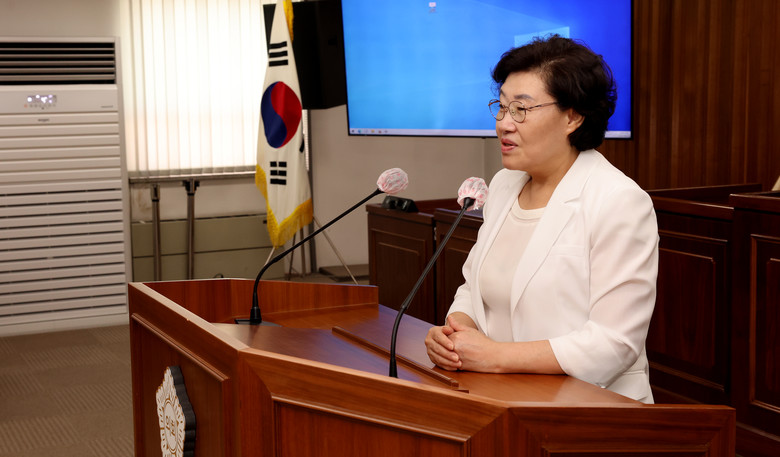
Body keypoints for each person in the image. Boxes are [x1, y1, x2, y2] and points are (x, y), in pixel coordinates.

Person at [425, 35, 659, 403]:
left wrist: (494, 357)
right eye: (501, 107)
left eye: (521, 109)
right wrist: (455, 334)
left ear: (572, 117)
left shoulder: (619, 201)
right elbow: (474, 289)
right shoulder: (504, 185)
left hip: (589, 406)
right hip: (501, 397)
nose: (504, 124)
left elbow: (614, 343)